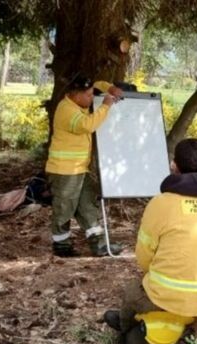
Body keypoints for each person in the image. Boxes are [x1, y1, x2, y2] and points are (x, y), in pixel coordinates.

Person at [104, 139, 197, 344]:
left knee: (131, 292)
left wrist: (154, 275)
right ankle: (182, 329)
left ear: (174, 166)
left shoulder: (161, 203)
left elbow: (144, 255)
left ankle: (127, 334)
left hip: (165, 295)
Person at [46, 74, 124, 257]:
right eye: (88, 95)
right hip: (65, 171)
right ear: (75, 94)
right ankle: (61, 245)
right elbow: (87, 125)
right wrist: (105, 105)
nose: (91, 98)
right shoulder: (66, 110)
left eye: (91, 95)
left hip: (79, 168)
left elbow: (97, 84)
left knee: (88, 204)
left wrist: (109, 88)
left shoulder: (77, 103)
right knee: (64, 208)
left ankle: (99, 244)